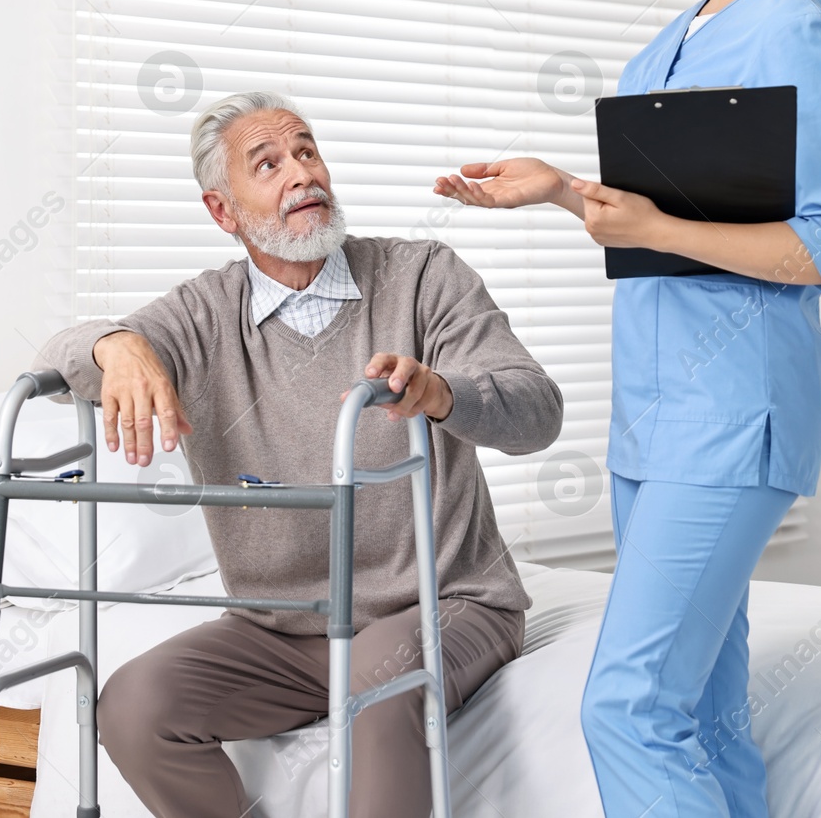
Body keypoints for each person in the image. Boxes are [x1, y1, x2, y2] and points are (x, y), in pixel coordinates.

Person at [433, 0, 821, 818]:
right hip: (651, 426)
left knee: (624, 704)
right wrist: (556, 187)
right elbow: (661, 209)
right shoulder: (674, 37)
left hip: (730, 423)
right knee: (704, 713)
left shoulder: (791, 30)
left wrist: (657, 226)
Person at [33, 90, 563, 818]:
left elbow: (537, 411)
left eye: (307, 150)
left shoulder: (422, 276)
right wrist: (115, 344)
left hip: (443, 605)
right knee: (130, 704)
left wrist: (444, 394)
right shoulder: (202, 315)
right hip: (280, 633)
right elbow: (60, 362)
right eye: (270, 162)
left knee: (376, 684)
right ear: (223, 211)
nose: (301, 173)